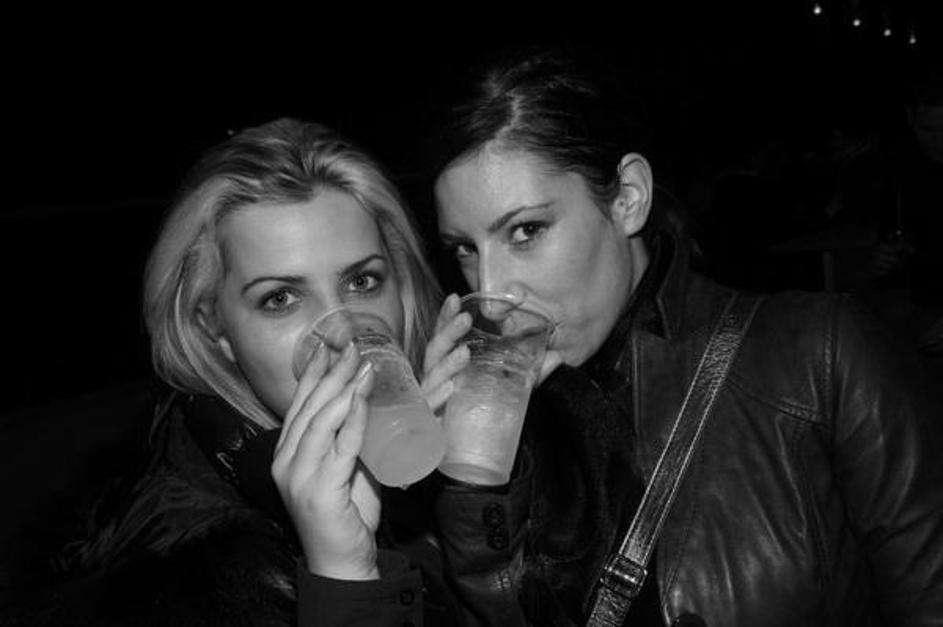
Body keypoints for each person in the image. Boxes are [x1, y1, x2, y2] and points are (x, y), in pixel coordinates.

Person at [426, 46, 943, 626]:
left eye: (526, 230)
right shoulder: (504, 419)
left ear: (628, 198)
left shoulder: (819, 356)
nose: (492, 290)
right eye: (464, 249)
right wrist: (472, 485)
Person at [1, 118, 515, 626]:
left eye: (362, 281)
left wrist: (468, 487)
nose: (343, 334)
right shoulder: (181, 577)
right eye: (281, 298)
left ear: (400, 288)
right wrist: (344, 579)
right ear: (213, 329)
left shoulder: (410, 449)